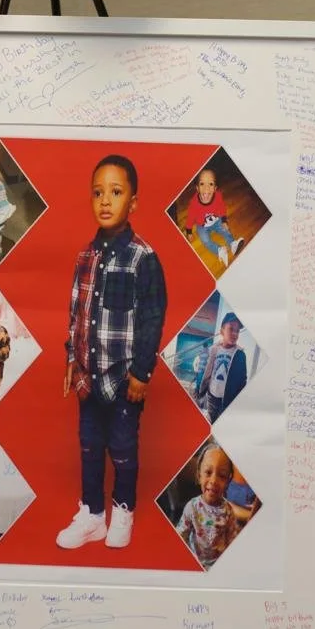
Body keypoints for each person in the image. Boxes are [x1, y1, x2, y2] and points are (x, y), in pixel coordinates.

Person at [56, 154, 167, 550]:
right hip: (88, 377)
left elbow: (152, 318)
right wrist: (71, 358)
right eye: (98, 193)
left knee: (122, 449)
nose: (105, 201)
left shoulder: (143, 258)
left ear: (133, 202)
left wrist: (141, 373)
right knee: (89, 447)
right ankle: (92, 515)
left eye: (116, 193)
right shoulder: (84, 257)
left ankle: (123, 512)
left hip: (123, 381)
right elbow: (75, 313)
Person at [176, 444, 239, 569]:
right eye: (208, 472)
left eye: (221, 475)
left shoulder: (228, 511)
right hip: (196, 562)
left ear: (227, 481)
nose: (214, 480)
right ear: (199, 475)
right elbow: (180, 536)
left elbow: (232, 541)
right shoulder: (192, 507)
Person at [184, 168, 243, 268]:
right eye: (202, 184)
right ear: (197, 188)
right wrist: (189, 232)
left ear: (215, 188)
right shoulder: (194, 204)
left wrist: (224, 220)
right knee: (205, 240)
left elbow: (222, 207)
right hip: (202, 225)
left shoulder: (218, 196)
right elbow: (190, 218)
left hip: (216, 221)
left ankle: (233, 244)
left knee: (225, 230)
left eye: (210, 184)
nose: (206, 188)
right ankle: (219, 250)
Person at [197, 312, 247, 422]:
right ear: (222, 331)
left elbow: (243, 381)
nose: (235, 333)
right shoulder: (213, 350)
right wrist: (200, 389)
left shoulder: (240, 355)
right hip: (211, 396)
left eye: (237, 331)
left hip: (227, 401)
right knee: (210, 420)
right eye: (231, 329)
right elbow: (204, 371)